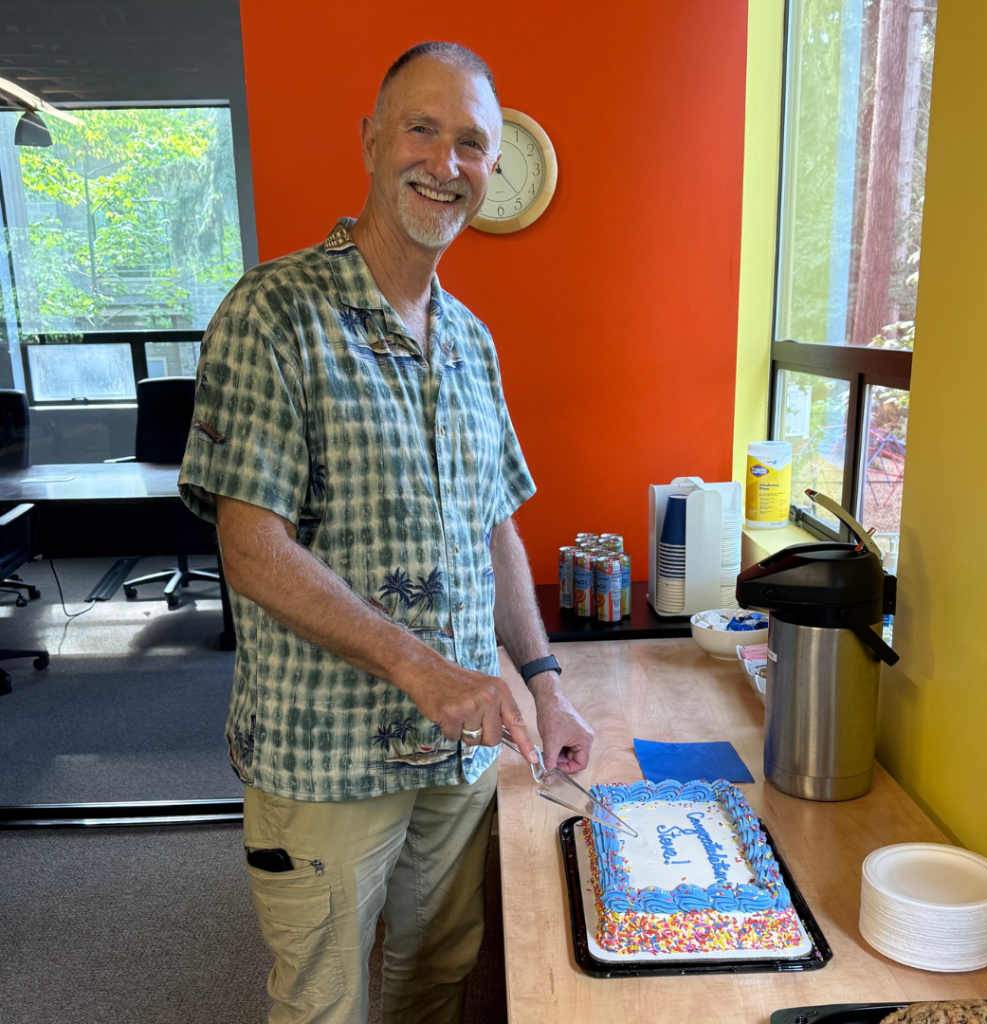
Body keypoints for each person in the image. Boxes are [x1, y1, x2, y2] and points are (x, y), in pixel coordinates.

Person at [178, 41, 594, 1024]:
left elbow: (493, 529)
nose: (444, 162)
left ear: (490, 173)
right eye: (422, 128)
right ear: (370, 138)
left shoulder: (471, 340)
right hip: (327, 760)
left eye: (471, 144)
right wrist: (425, 669)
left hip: (457, 760)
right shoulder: (271, 313)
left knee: (432, 984)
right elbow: (252, 549)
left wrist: (546, 686)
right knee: (325, 1004)